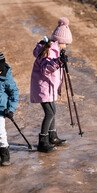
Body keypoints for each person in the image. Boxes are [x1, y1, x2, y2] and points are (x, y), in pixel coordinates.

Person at [30, 17, 72, 152]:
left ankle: (52, 137)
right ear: (60, 41)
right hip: (43, 87)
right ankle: (42, 141)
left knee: (53, 111)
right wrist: (58, 62)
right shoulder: (49, 50)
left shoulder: (55, 50)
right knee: (50, 113)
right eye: (66, 44)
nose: (66, 47)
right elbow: (45, 68)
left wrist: (60, 60)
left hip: (50, 87)